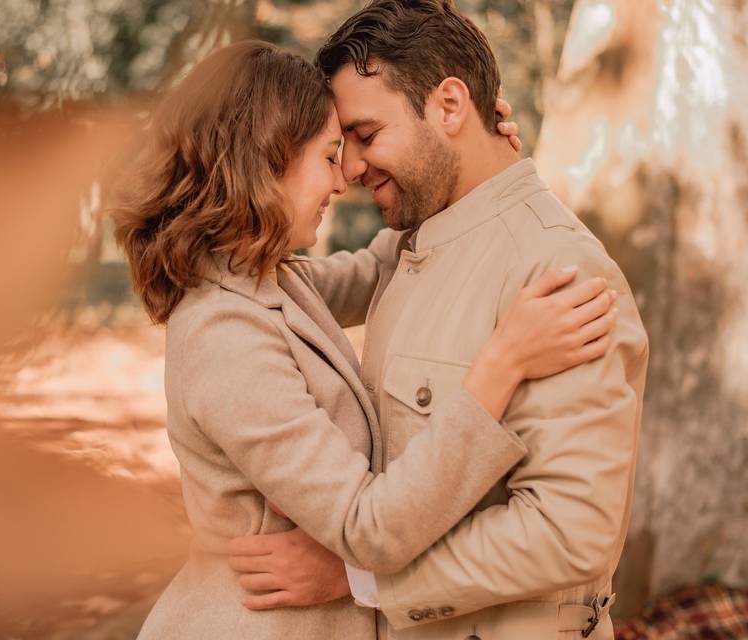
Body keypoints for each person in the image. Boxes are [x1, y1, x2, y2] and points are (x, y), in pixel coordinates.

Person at [113, 39, 617, 640]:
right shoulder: (224, 331)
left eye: (355, 146)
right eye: (330, 155)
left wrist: (472, 162)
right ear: (264, 162)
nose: (344, 178)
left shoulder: (265, 281)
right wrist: (503, 362)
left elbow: (390, 262)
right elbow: (366, 527)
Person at [227, 2, 649, 639]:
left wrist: (360, 579)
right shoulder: (413, 245)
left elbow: (569, 532)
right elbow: (282, 282)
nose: (350, 170)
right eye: (343, 147)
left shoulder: (559, 272)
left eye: (367, 136)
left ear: (450, 106)